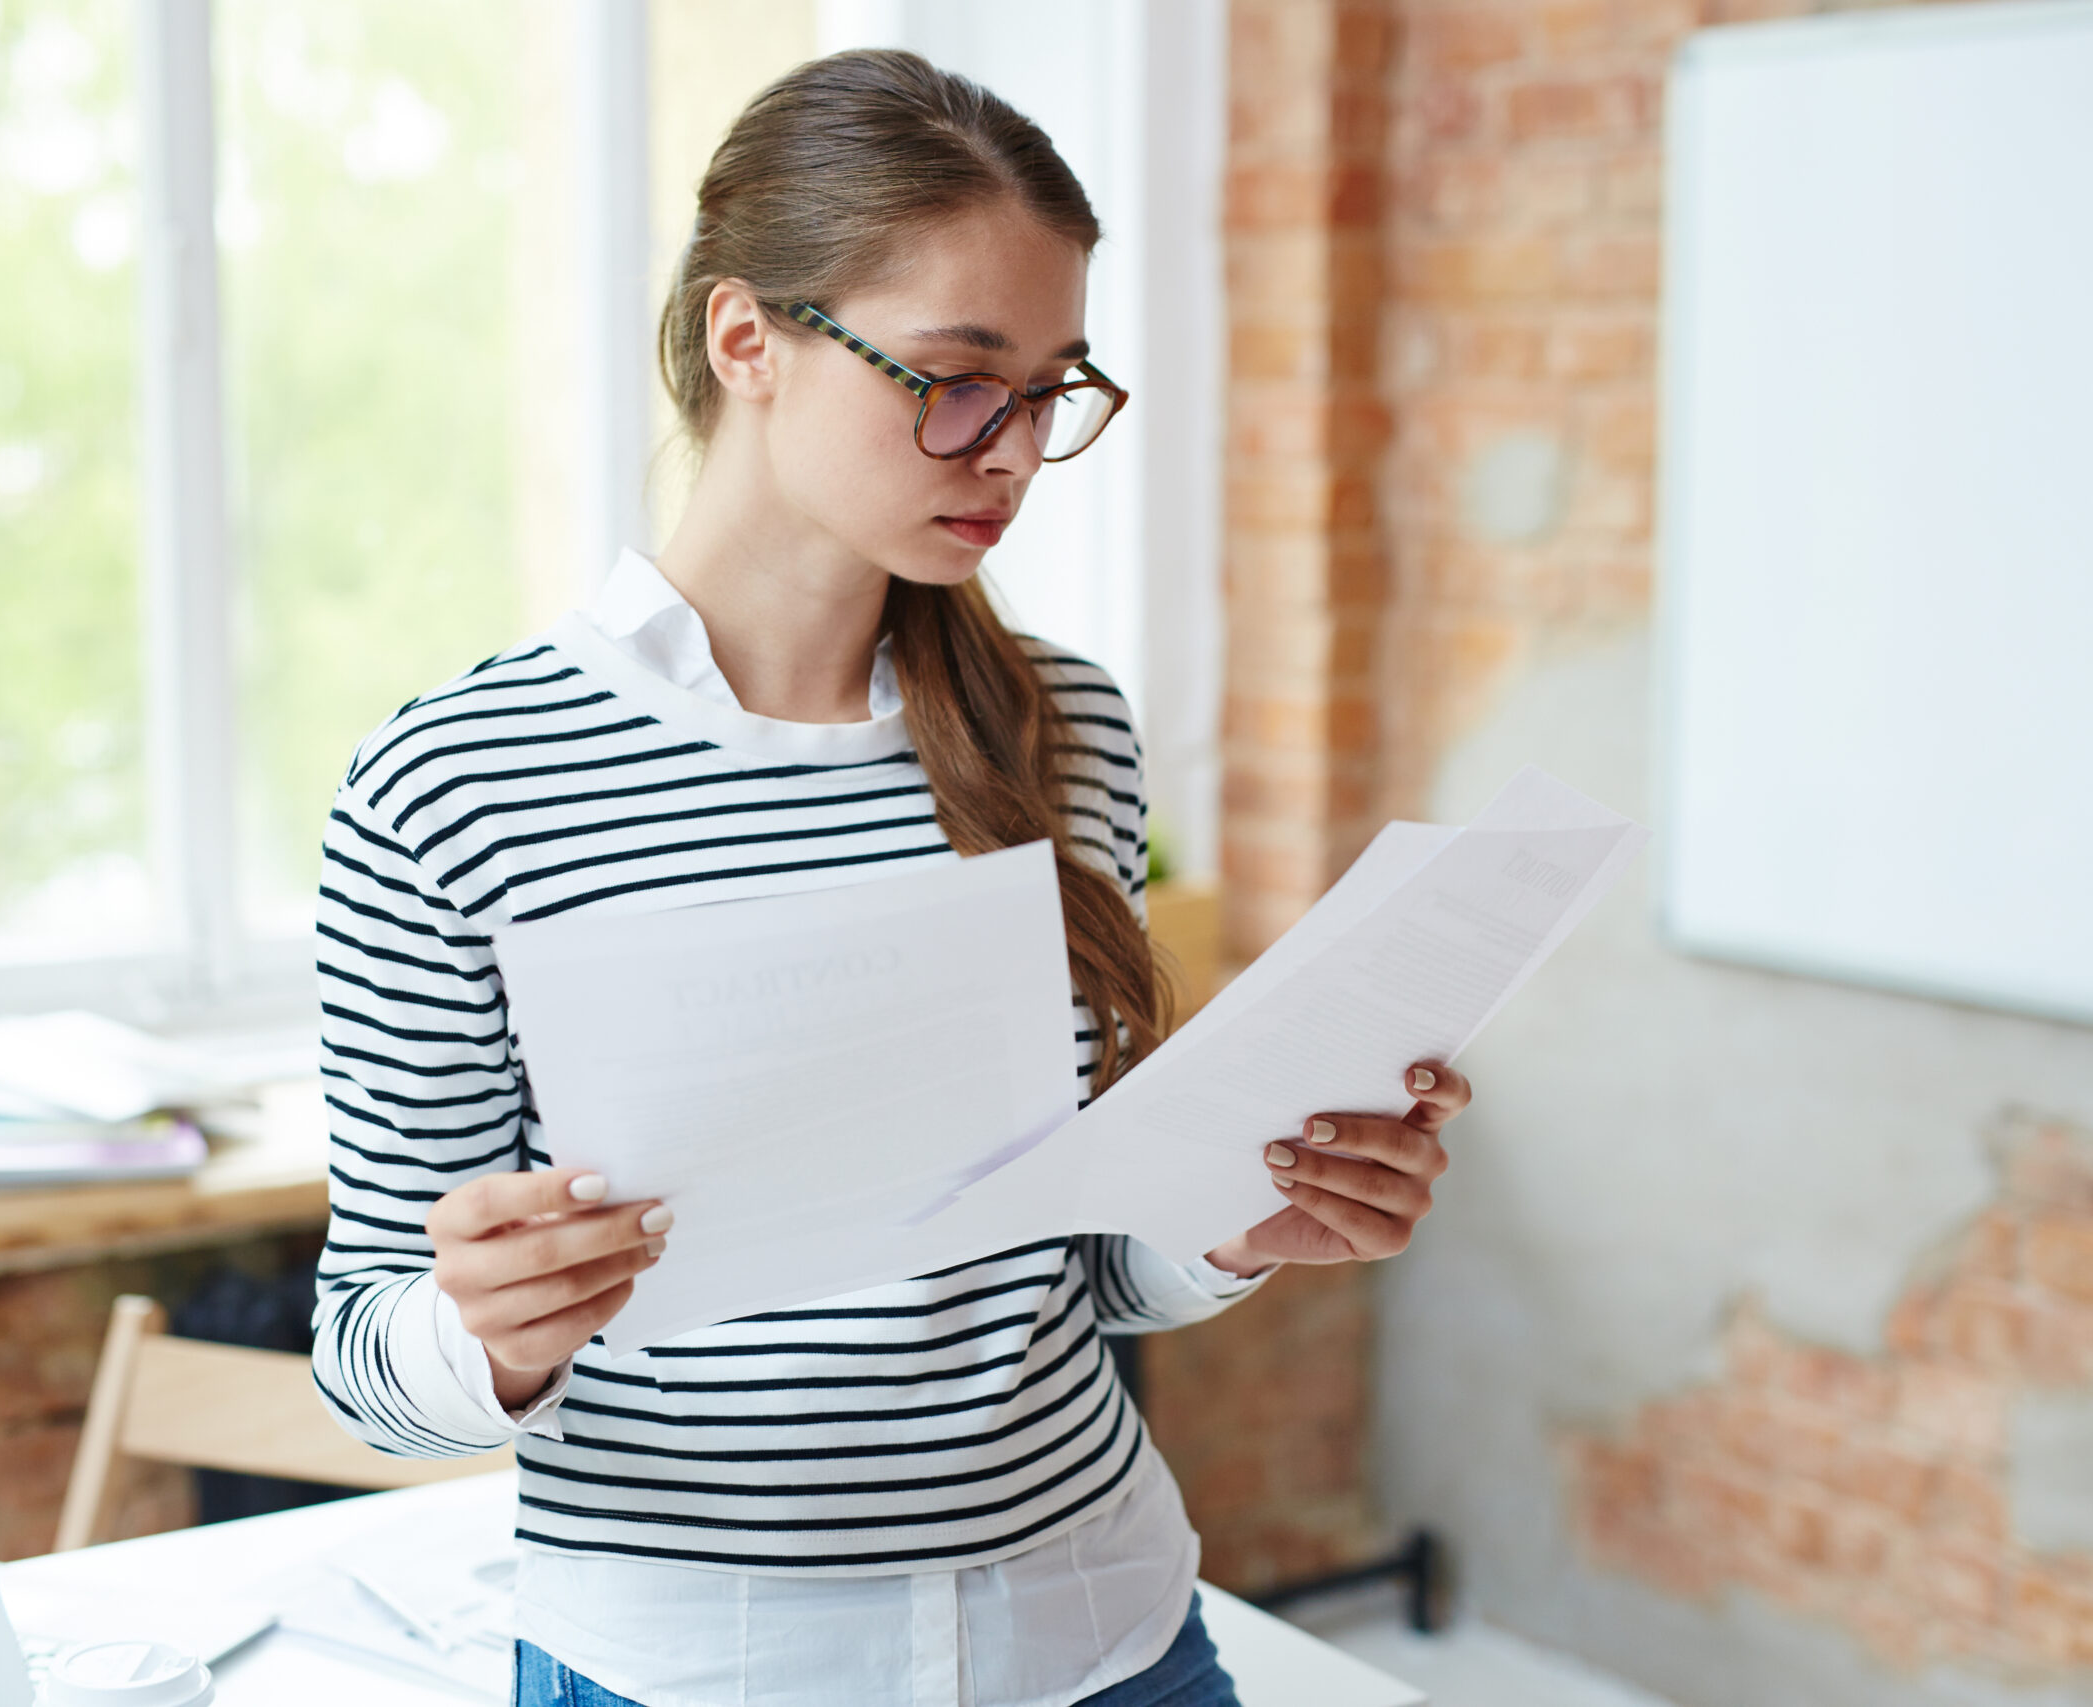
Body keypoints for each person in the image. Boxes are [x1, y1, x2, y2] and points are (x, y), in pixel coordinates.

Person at [310, 48, 1468, 1707]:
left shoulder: (1062, 726)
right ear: (746, 339)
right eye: (954, 375)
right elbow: (363, 1362)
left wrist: (1242, 1219)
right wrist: (484, 1331)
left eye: (1053, 386)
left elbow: (1080, 1267)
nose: (1007, 448)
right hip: (689, 1669)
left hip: (1108, 1639)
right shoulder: (456, 782)